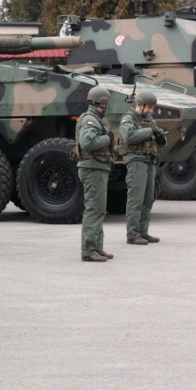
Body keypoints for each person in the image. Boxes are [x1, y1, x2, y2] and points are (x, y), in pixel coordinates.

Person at [76, 85, 116, 262]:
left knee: (99, 209)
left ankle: (97, 247)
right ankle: (89, 250)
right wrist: (107, 138)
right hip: (92, 167)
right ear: (102, 103)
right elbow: (87, 142)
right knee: (94, 209)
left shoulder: (94, 118)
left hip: (97, 167)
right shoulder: (90, 120)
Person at [120, 90, 165, 245]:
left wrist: (160, 136)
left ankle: (143, 231)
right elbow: (129, 136)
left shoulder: (149, 120)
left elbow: (158, 138)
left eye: (153, 108)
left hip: (149, 160)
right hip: (136, 160)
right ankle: (132, 234)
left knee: (148, 197)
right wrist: (150, 131)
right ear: (140, 104)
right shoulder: (128, 119)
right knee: (136, 198)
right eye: (149, 107)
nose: (151, 110)